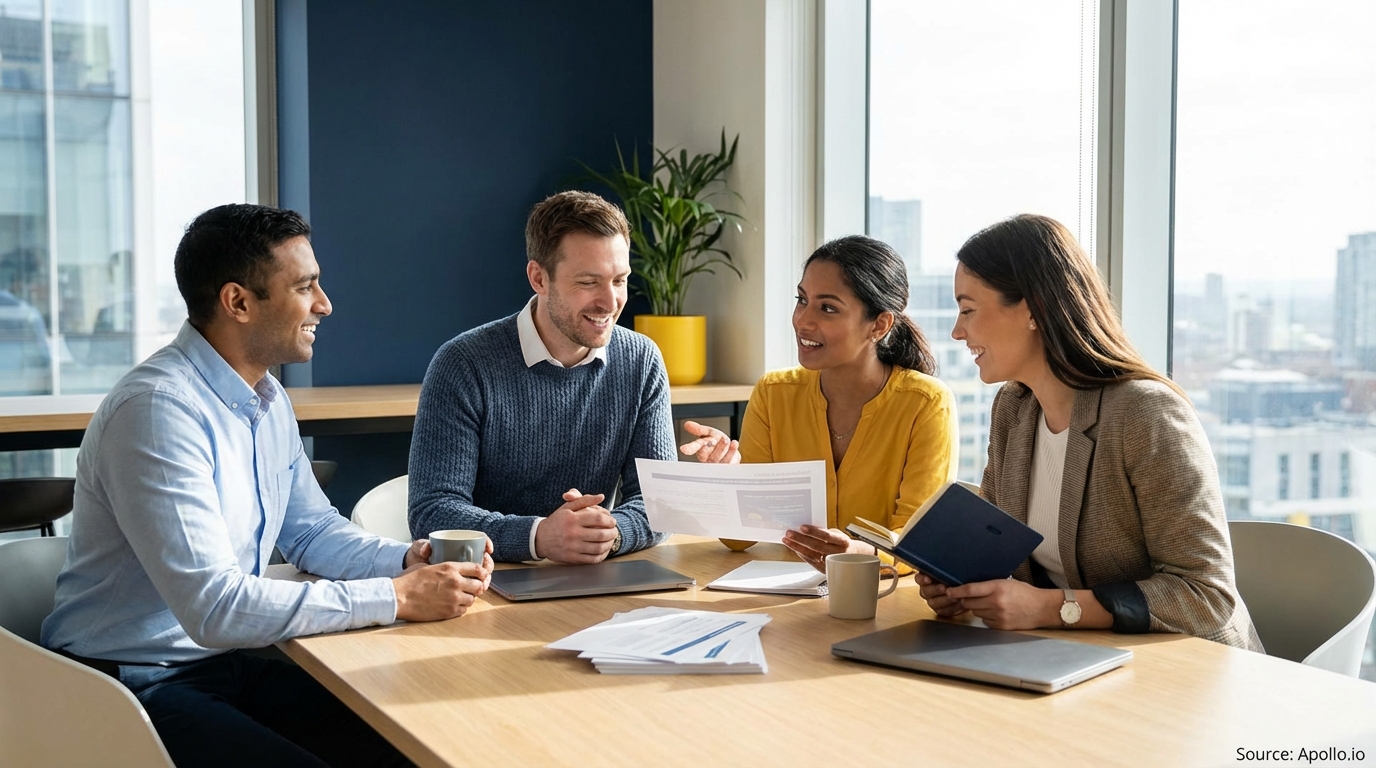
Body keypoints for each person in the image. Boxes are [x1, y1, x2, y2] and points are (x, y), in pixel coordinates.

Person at [41, 203, 493, 767]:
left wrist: (406, 559)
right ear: (238, 302)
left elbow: (311, 533)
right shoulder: (158, 411)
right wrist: (396, 597)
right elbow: (214, 607)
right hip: (128, 686)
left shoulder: (265, 399)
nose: (324, 305)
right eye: (305, 287)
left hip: (222, 663)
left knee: (413, 742)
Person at [919, 213, 1262, 650]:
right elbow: (1000, 552)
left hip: (1188, 673)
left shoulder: (1145, 414)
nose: (956, 330)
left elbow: (1206, 598)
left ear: (1032, 309)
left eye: (968, 309)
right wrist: (962, 589)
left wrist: (1049, 608)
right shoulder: (1014, 409)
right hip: (1071, 659)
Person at [407, 191, 676, 563]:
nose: (610, 302)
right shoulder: (463, 364)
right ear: (539, 278)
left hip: (592, 580)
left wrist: (610, 534)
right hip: (487, 584)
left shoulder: (641, 361)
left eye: (619, 280)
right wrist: (537, 537)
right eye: (588, 282)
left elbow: (660, 503)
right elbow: (433, 511)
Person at [680, 235, 958, 571]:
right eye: (802, 300)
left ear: (879, 325)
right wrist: (726, 478)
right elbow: (738, 540)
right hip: (788, 596)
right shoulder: (774, 393)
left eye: (827, 308)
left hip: (882, 597)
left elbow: (917, 544)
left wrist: (858, 553)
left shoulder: (926, 403)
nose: (803, 321)